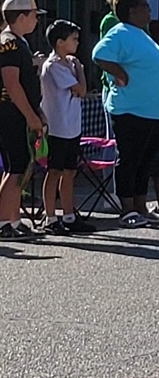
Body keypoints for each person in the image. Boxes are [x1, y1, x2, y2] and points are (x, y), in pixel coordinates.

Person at [92, 0, 159, 227]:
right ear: (132, 11)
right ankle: (127, 210)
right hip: (132, 109)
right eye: (145, 5)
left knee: (145, 160)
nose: (150, 9)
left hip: (155, 110)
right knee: (131, 159)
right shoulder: (121, 32)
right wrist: (120, 75)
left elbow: (152, 63)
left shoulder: (142, 35)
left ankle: (141, 207)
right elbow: (99, 54)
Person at [0, 0, 45, 239]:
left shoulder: (19, 42)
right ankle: (3, 221)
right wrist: (30, 116)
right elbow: (12, 84)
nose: (36, 19)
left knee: (18, 167)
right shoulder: (9, 43)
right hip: (10, 114)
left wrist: (37, 111)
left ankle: (13, 220)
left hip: (17, 113)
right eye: (34, 14)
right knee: (15, 168)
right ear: (21, 16)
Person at [39, 21, 89, 234]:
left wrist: (75, 66)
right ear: (60, 43)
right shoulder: (54, 66)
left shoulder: (66, 63)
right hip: (58, 126)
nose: (77, 43)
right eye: (73, 39)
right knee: (54, 171)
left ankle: (69, 215)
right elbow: (81, 90)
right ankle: (50, 217)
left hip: (72, 126)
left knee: (69, 172)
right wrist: (80, 68)